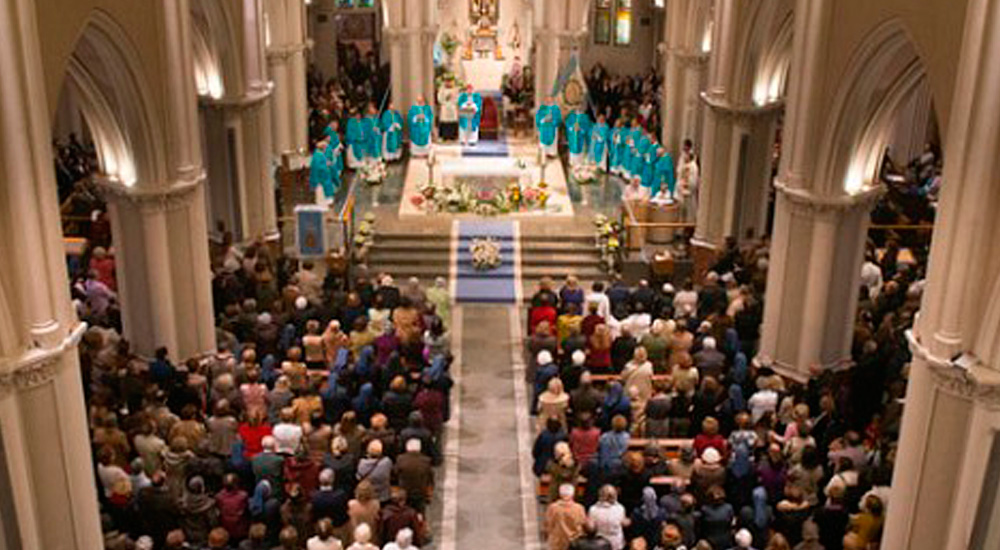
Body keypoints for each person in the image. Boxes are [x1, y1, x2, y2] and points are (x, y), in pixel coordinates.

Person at [545, 483, 588, 550]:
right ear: (573, 494)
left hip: (557, 543)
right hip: (574, 543)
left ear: (560, 494)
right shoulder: (579, 508)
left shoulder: (553, 508)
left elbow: (548, 525)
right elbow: (583, 526)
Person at [588, 485, 629, 550]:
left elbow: (591, 528)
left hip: (600, 543)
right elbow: (624, 523)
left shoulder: (593, 509)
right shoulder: (620, 508)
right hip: (617, 543)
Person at [437, 76, 460, 141]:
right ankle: (444, 136)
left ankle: (453, 136)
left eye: (450, 82)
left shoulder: (455, 90)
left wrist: (452, 101)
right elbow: (439, 98)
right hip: (445, 107)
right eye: (447, 82)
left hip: (452, 107)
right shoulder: (442, 89)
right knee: (444, 122)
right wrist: (445, 100)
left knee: (452, 122)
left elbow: (457, 99)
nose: (449, 83)